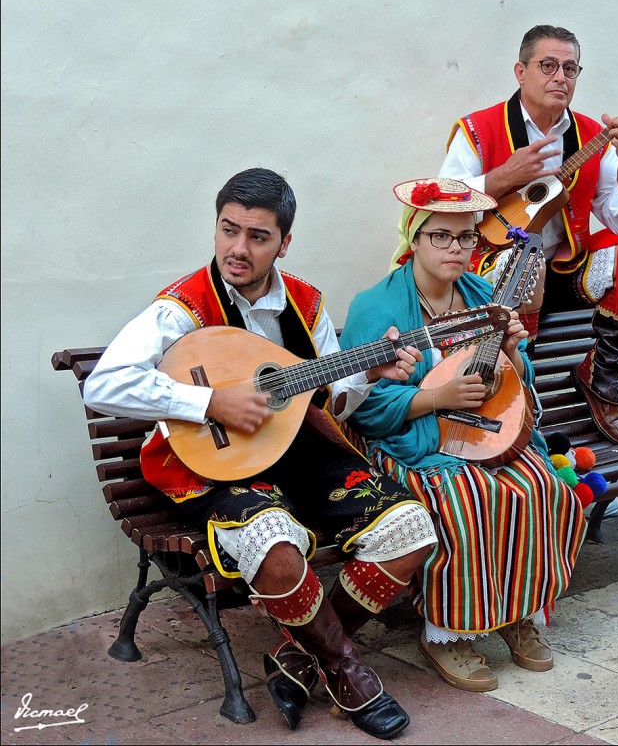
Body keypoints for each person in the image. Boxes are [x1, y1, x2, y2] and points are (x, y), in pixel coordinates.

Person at [82, 168, 439, 740]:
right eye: (229, 231)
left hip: (296, 453)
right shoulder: (181, 308)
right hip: (212, 464)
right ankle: (346, 668)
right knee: (273, 548)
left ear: (284, 242)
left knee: (412, 529)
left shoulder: (305, 302)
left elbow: (331, 402)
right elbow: (103, 384)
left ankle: (298, 658)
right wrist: (208, 401)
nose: (238, 249)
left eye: (257, 236)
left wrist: (365, 371)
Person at [339, 177, 587, 692]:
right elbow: (363, 408)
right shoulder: (377, 306)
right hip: (410, 442)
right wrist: (437, 398)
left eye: (467, 237)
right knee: (464, 495)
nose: (456, 249)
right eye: (441, 237)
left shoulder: (482, 295)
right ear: (414, 238)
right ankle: (447, 633)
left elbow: (513, 385)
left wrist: (515, 353)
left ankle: (518, 614)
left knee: (541, 486)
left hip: (482, 435)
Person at [439, 23, 618, 445]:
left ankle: (601, 376)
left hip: (567, 271)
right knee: (528, 262)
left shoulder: (591, 136)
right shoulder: (478, 128)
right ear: (521, 72)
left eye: (571, 68)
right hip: (489, 271)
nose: (560, 76)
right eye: (548, 65)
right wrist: (501, 178)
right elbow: (443, 202)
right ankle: (520, 385)